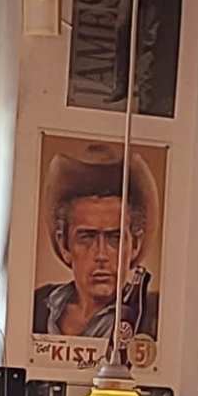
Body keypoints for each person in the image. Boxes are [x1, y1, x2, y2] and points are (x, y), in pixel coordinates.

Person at [30, 151, 156, 358]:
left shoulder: (151, 315)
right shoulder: (38, 304)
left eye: (115, 238)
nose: (101, 255)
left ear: (135, 244)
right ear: (64, 244)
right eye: (87, 237)